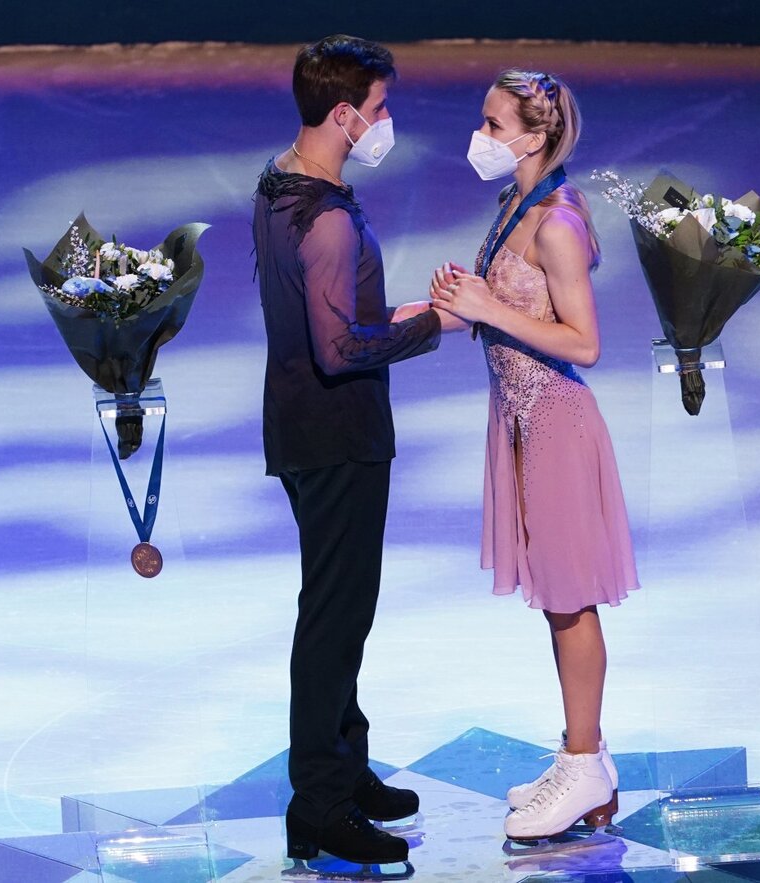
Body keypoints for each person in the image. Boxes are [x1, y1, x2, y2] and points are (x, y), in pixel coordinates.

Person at [252, 34, 466, 865]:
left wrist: (398, 313)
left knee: (337, 607)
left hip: (299, 426)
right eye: (378, 108)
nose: (385, 120)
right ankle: (321, 802)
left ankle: (344, 764)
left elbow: (327, 316)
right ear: (343, 114)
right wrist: (431, 323)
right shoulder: (330, 220)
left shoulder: (279, 182)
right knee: (336, 617)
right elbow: (341, 349)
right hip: (338, 436)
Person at [430, 69, 640, 841]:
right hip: (518, 420)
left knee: (570, 599)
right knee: (556, 598)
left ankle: (585, 763)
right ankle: (582, 754)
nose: (481, 136)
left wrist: (488, 306)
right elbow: (493, 309)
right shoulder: (512, 207)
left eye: (493, 124)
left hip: (555, 420)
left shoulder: (558, 222)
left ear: (535, 134)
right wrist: (412, 315)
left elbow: (584, 342)